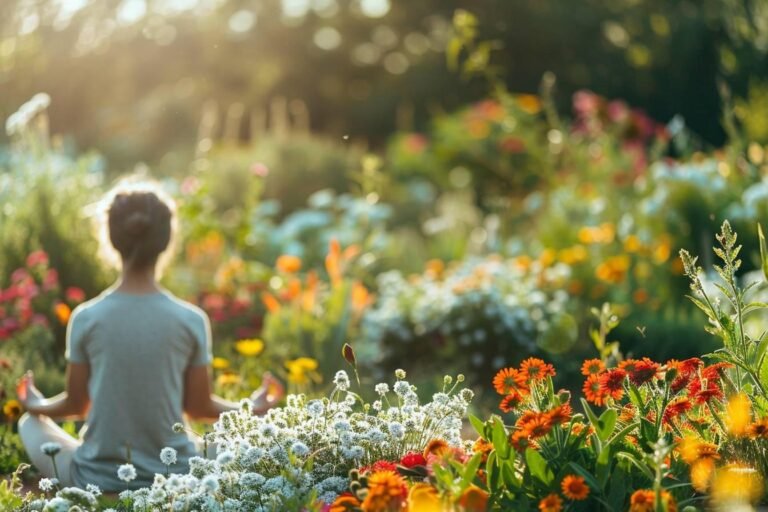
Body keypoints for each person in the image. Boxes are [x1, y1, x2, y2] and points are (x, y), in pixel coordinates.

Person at [16, 180, 284, 491]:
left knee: (28, 424)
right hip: (180, 475)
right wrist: (251, 408)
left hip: (96, 478)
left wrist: (37, 405)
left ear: (112, 239)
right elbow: (199, 408)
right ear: (166, 241)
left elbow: (77, 405)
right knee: (258, 425)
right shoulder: (191, 320)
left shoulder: (86, 318)